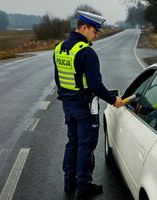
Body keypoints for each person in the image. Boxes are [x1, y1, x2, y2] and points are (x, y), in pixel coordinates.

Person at [53, 10, 124, 199]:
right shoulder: (86, 52)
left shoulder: (59, 48)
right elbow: (95, 85)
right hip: (85, 108)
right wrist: (113, 100)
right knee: (86, 146)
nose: (97, 34)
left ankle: (69, 182)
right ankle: (84, 186)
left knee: (73, 142)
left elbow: (59, 81)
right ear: (84, 27)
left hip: (68, 106)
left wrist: (69, 99)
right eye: (95, 30)